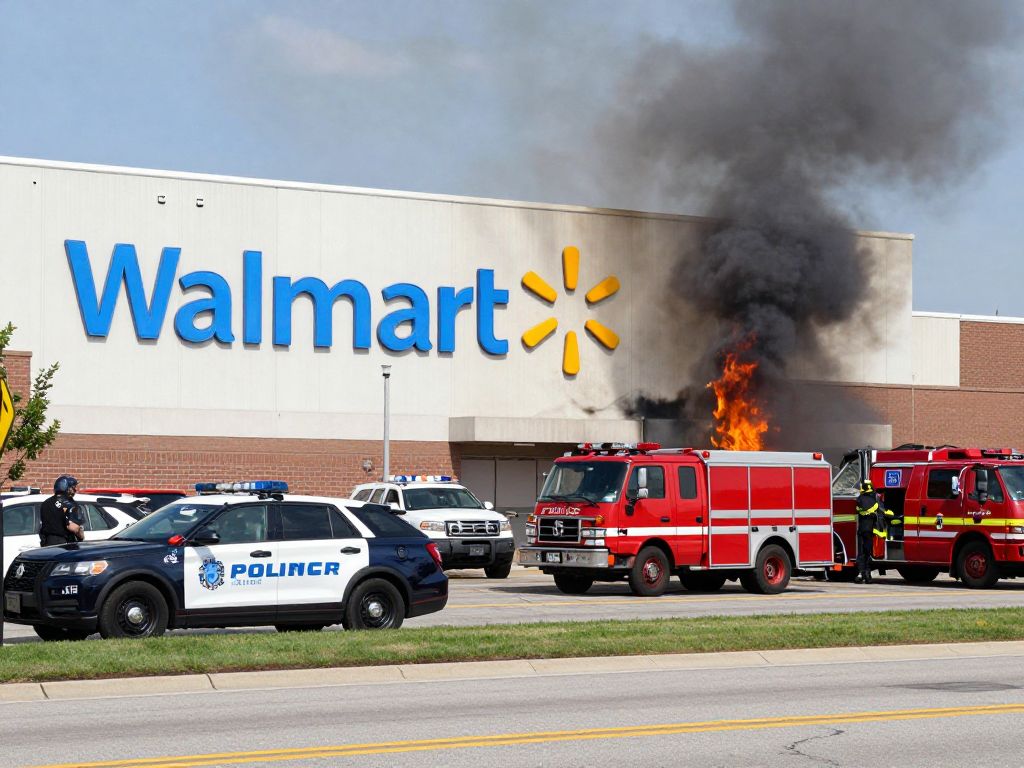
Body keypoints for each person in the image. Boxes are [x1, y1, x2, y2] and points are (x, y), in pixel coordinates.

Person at [38, 474, 84, 546]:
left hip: (47, 543)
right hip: (64, 545)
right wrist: (81, 535)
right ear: (66, 488)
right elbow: (72, 527)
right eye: (73, 487)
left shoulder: (46, 503)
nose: (76, 490)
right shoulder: (70, 504)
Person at [854, 479, 882, 584]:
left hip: (862, 530)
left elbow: (858, 509)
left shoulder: (859, 499)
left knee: (861, 553)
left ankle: (861, 573)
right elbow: (881, 512)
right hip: (870, 531)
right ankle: (868, 574)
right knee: (868, 552)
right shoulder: (875, 500)